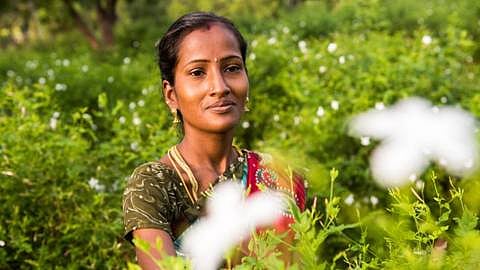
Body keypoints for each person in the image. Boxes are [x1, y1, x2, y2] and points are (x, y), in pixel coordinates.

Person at [122, 12, 306, 269]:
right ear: (171, 95)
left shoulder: (279, 175)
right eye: (198, 72)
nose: (219, 86)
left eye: (232, 68)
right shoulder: (153, 185)